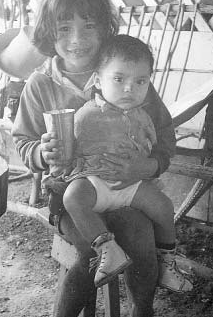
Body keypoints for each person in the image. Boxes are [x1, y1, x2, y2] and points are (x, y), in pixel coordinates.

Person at [11, 0, 190, 317]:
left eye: (89, 25)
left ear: (104, 28)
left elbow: (164, 139)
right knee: (90, 254)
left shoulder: (123, 71)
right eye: (64, 27)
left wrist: (145, 165)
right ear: (48, 30)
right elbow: (22, 142)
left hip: (126, 190)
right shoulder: (41, 84)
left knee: (142, 238)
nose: (76, 39)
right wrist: (41, 152)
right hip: (73, 196)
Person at [43, 34, 193, 291]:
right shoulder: (84, 116)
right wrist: (57, 169)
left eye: (140, 81)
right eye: (119, 79)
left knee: (164, 207)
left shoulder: (146, 116)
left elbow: (159, 147)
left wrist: (149, 165)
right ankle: (107, 250)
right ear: (98, 81)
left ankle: (167, 262)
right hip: (93, 183)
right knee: (73, 198)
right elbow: (66, 155)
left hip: (131, 184)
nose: (129, 88)